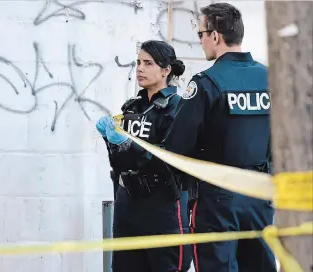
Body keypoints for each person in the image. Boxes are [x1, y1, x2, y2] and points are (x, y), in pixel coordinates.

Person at [164, 3, 277, 272]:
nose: (201, 41)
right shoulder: (270, 78)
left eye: (201, 34)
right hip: (260, 192)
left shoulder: (206, 83)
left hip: (217, 197)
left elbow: (177, 146)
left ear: (216, 36)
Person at [96, 40, 192, 272]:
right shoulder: (132, 108)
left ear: (166, 70)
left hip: (163, 203)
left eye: (148, 63)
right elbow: (120, 162)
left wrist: (129, 145)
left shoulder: (179, 109)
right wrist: (111, 142)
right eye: (139, 62)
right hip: (129, 204)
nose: (140, 68)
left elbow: (170, 158)